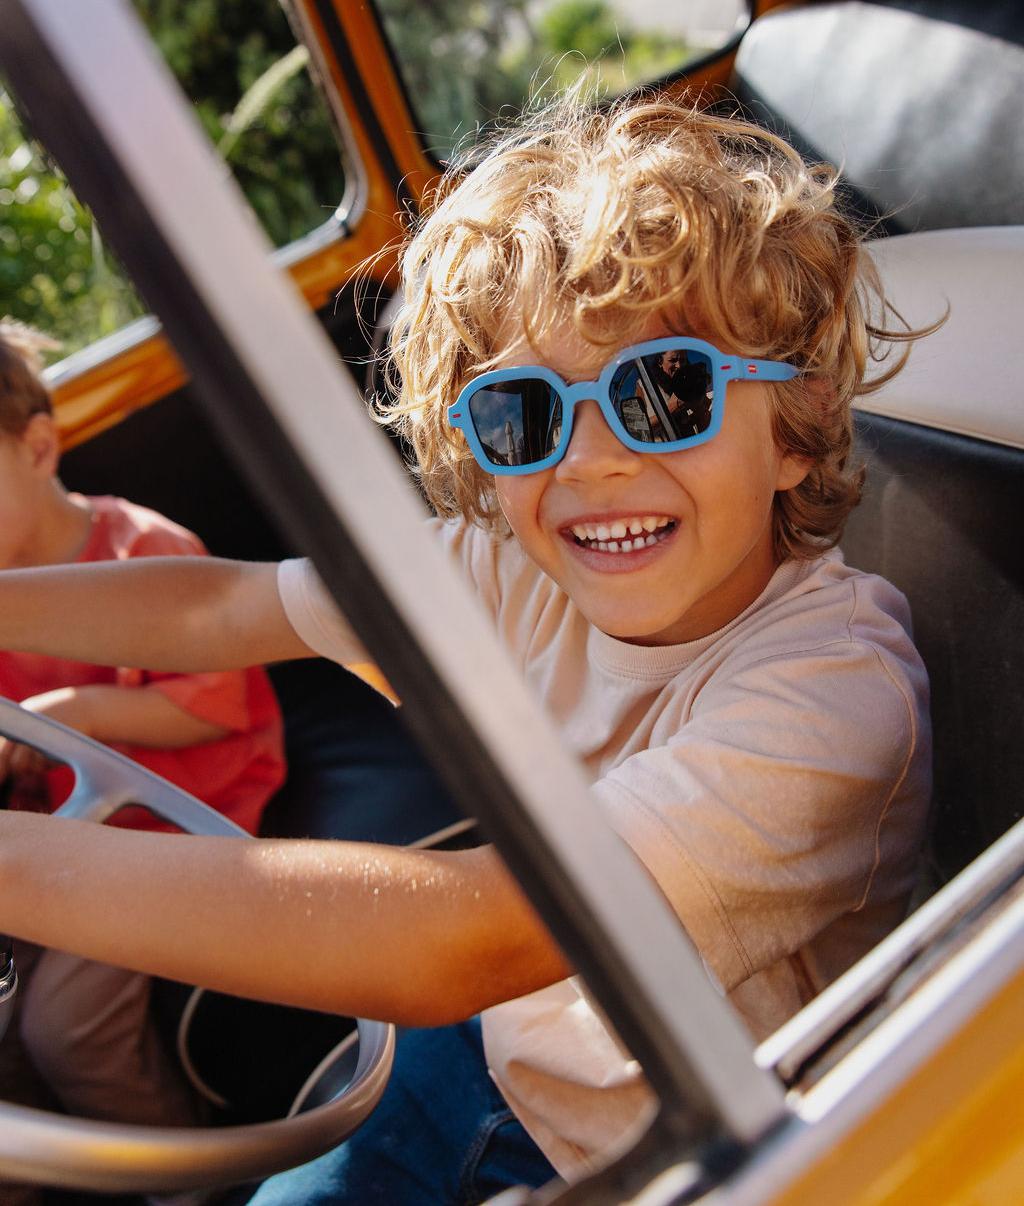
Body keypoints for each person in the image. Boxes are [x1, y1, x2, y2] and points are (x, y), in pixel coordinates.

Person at [0, 93, 932, 1203]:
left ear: (797, 417)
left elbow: (470, 936)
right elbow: (220, 608)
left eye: (663, 392)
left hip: (673, 1141)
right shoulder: (510, 567)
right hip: (501, 1045)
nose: (587, 464)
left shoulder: (838, 689)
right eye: (524, 415)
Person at [0, 320, 287, 1142]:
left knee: (66, 1028)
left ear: (39, 448)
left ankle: (186, 1176)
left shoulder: (142, 552)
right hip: (65, 828)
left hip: (178, 820)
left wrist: (76, 716)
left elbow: (210, 706)